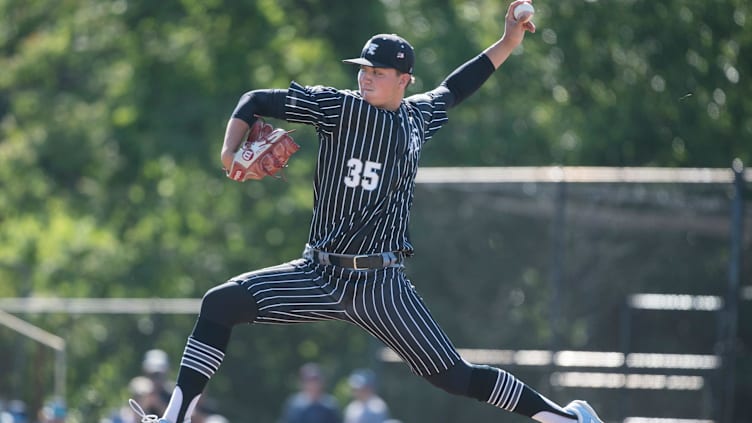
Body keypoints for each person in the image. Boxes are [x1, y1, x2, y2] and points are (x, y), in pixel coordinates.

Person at [129, 1, 603, 422]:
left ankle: (563, 419)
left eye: (377, 71)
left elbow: (457, 86)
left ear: (403, 80)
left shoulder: (417, 117)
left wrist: (507, 40)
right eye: (363, 68)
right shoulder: (337, 108)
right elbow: (255, 101)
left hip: (381, 284)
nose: (366, 76)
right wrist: (228, 152)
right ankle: (173, 418)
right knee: (219, 304)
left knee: (453, 376)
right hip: (318, 272)